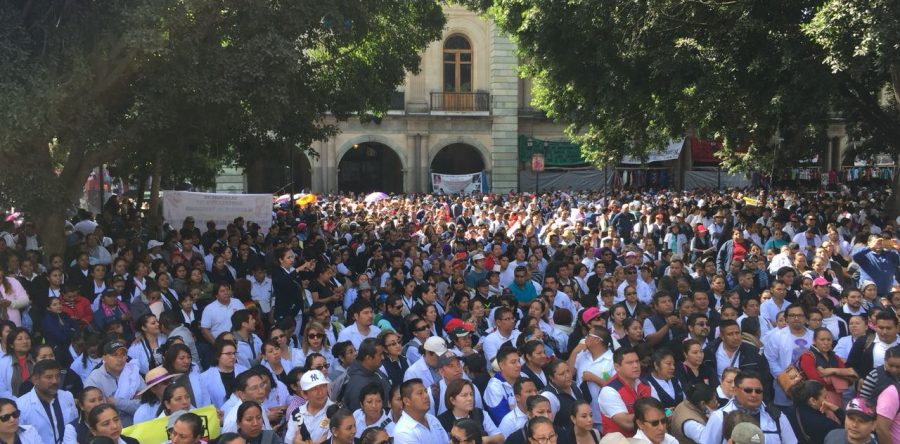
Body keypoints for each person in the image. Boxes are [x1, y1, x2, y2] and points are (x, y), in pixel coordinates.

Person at [701, 370, 797, 444]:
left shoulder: (776, 417)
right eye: (748, 390)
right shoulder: (720, 417)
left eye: (758, 391)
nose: (754, 394)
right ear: (735, 390)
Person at [84, 338, 145, 427]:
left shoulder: (133, 372)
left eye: (123, 354)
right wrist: (131, 403)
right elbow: (97, 412)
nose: (120, 359)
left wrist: (116, 402)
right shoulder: (94, 379)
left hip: (137, 425)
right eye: (115, 355)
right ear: (104, 358)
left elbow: (145, 405)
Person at [17, 359, 77, 444]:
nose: (55, 381)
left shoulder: (67, 396)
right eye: (49, 377)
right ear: (35, 380)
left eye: (57, 376)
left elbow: (74, 426)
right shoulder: (21, 405)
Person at [598, 347, 651, 437]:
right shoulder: (609, 390)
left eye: (637, 361)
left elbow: (661, 409)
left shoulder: (645, 383)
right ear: (617, 367)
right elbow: (627, 423)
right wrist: (653, 414)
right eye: (630, 363)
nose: (636, 366)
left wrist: (667, 413)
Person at [798, 327, 857, 406]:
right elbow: (816, 383)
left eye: (829, 340)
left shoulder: (834, 356)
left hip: (837, 398)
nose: (826, 343)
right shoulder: (808, 357)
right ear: (814, 341)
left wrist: (832, 371)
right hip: (815, 401)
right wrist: (839, 381)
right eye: (822, 340)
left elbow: (850, 378)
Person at [437, 379, 501, 442]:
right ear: (452, 400)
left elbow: (500, 438)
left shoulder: (480, 414)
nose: (470, 398)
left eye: (471, 394)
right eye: (464, 395)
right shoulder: (441, 422)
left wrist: (482, 440)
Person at [340, 338, 391, 411]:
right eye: (380, 355)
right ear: (368, 358)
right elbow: (359, 416)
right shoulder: (357, 385)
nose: (383, 357)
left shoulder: (373, 368)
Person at [393, 378, 450, 444]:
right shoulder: (403, 431)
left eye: (426, 391)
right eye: (420, 393)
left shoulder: (432, 419)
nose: (426, 396)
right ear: (406, 401)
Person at [284, 369, 334, 443]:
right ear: (304, 394)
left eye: (323, 386)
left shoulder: (336, 412)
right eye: (314, 389)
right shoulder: (296, 414)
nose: (320, 392)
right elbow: (288, 441)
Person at [201, 339, 248, 409]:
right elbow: (206, 404)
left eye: (234, 353)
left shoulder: (244, 370)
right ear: (217, 356)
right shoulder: (205, 377)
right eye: (228, 354)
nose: (233, 357)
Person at [539, 359, 585, 432]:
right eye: (562, 374)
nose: (567, 376)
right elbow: (546, 423)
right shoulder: (549, 396)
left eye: (568, 371)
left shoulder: (575, 385)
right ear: (552, 378)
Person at [484, 345, 521, 425]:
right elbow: (504, 420)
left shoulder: (522, 377)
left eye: (519, 361)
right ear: (501, 365)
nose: (518, 365)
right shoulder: (494, 387)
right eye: (513, 362)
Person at [0, 327, 34, 398]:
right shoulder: (2, 362)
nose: (25, 341)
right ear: (11, 345)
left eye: (27, 338)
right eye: (20, 339)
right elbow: (2, 390)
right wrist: (17, 402)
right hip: (12, 403)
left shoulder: (36, 359)